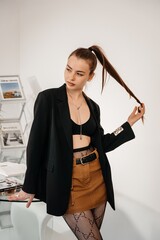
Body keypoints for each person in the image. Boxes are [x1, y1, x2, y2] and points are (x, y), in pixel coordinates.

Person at [8, 45, 145, 240]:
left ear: (90, 77)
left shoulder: (93, 107)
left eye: (79, 73)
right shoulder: (48, 99)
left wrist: (128, 123)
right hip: (68, 181)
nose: (70, 77)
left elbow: (103, 144)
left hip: (97, 177)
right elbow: (35, 144)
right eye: (68, 69)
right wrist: (29, 187)